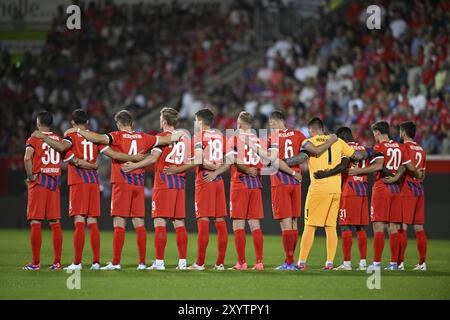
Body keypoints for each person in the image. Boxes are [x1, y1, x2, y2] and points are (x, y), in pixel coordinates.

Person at [66, 110, 182, 270]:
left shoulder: (117, 136)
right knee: (139, 222)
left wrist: (78, 130)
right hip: (138, 184)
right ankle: (142, 263)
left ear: (119, 124)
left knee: (119, 222)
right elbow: (167, 138)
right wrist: (181, 134)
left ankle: (115, 263)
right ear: (132, 123)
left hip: (122, 181)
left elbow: (98, 138)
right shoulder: (144, 136)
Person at [32, 109, 143, 270]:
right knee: (92, 221)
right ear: (88, 123)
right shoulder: (95, 138)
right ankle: (96, 262)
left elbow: (62, 148)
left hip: (78, 181)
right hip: (93, 182)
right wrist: (133, 158)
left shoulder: (71, 135)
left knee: (79, 220)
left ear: (72, 123)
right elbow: (113, 154)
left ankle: (77, 263)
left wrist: (43, 137)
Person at [284, 117, 368, 270]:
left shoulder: (310, 142)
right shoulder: (338, 141)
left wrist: (283, 161)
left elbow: (301, 157)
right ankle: (329, 263)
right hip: (336, 189)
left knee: (310, 226)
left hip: (318, 189)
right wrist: (369, 153)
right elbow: (357, 156)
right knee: (330, 227)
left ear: (311, 130)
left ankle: (301, 262)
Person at [348, 121, 424, 271]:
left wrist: (356, 172)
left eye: (374, 133)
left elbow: (378, 166)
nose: (374, 136)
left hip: (382, 188)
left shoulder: (379, 147)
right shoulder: (400, 146)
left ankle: (376, 263)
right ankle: (394, 264)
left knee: (378, 226)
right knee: (394, 227)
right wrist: (416, 175)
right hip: (396, 189)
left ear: (377, 132)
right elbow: (410, 168)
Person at [122, 107, 190, 270]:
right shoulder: (185, 139)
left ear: (164, 121)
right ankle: (182, 262)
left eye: (160, 119)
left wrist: (135, 165)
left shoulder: (161, 137)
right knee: (179, 222)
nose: (160, 122)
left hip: (164, 183)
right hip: (179, 183)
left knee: (160, 221)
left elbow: (153, 158)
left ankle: (159, 262)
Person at [23, 111, 92, 270]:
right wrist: (91, 166)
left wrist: (30, 176)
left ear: (38, 123)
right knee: (55, 222)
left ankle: (35, 263)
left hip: (39, 181)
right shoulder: (59, 140)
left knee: (36, 221)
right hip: (54, 183)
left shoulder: (34, 138)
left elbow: (27, 158)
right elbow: (72, 160)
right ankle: (57, 262)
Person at [164, 109, 229, 270]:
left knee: (204, 221)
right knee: (220, 222)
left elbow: (200, 158)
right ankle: (220, 263)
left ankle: (200, 263)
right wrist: (216, 172)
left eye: (195, 120)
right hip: (218, 180)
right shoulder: (221, 136)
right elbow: (230, 161)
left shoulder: (199, 136)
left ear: (200, 121)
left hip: (205, 180)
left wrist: (207, 168)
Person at [313, 126, 371, 271]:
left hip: (349, 189)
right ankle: (363, 263)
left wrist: (325, 174)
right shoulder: (362, 148)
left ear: (342, 138)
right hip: (362, 189)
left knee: (345, 226)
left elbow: (344, 165)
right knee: (359, 227)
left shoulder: (345, 147)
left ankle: (347, 264)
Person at [383, 121, 427, 270]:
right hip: (419, 190)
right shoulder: (421, 149)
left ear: (403, 132)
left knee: (401, 227)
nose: (399, 134)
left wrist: (395, 178)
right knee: (419, 227)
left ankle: (399, 263)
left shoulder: (404, 147)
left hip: (406, 190)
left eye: (400, 131)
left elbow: (404, 166)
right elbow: (423, 174)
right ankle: (422, 263)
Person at [266, 110, 306, 270]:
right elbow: (305, 155)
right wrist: (295, 171)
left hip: (280, 180)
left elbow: (272, 160)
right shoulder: (298, 134)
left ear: (275, 122)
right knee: (294, 222)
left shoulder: (272, 137)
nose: (270, 127)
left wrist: (289, 170)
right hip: (296, 183)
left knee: (286, 223)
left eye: (271, 124)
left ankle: (288, 262)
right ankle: (292, 261)